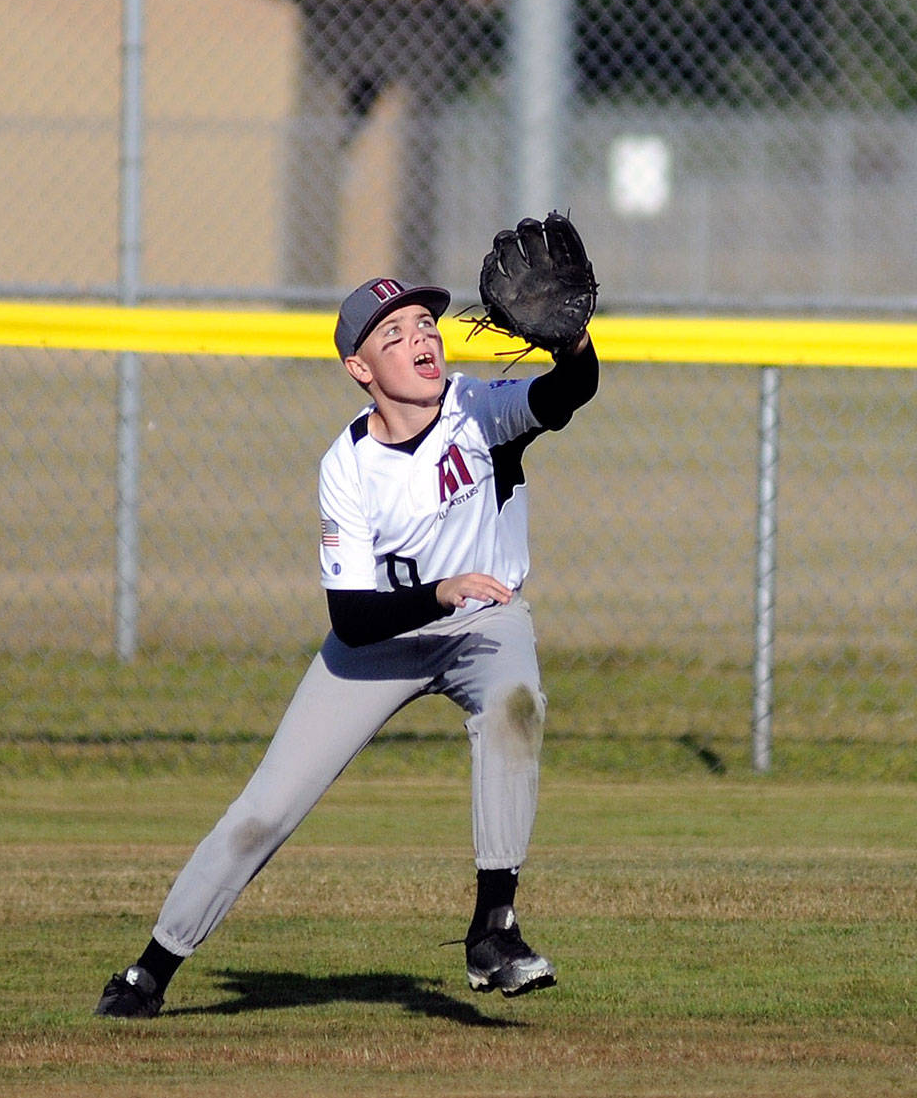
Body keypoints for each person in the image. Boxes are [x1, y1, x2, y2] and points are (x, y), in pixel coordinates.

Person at [95, 270, 599, 1016]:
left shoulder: (478, 408)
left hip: (485, 624)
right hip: (379, 641)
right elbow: (353, 617)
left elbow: (567, 393)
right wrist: (437, 591)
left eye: (425, 325)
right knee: (264, 809)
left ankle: (494, 927)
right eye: (392, 334)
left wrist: (577, 345)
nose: (420, 338)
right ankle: (150, 968)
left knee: (514, 705)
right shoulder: (347, 467)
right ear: (360, 370)